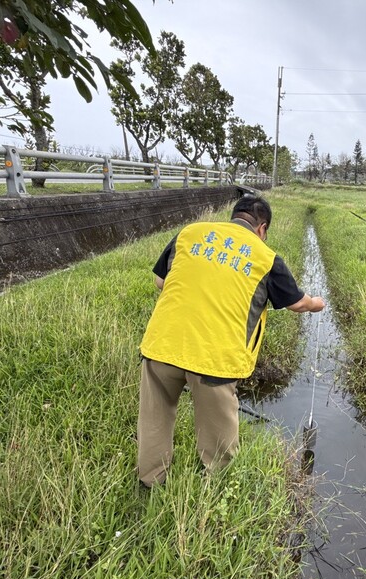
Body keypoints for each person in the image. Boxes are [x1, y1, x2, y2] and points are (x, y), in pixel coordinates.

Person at [137, 193, 325, 486]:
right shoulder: (265, 257)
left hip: (161, 346)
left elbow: (161, 281)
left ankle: (150, 482)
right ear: (262, 229)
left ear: (234, 217)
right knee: (219, 440)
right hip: (216, 361)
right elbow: (298, 304)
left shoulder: (190, 234)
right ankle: (215, 492)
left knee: (154, 420)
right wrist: (317, 303)